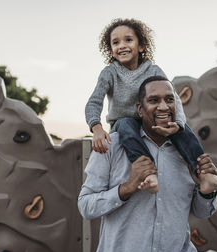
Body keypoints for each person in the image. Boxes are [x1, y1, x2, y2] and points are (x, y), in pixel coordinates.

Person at [78, 76, 217, 252]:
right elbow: (85, 206)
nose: (163, 107)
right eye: (154, 100)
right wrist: (126, 188)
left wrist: (206, 193)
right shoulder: (112, 146)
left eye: (169, 99)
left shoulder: (188, 153)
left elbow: (202, 213)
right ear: (140, 109)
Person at [85, 18, 210, 193]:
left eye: (128, 40)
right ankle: (148, 173)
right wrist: (96, 127)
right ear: (111, 51)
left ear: (142, 46)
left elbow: (174, 98)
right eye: (116, 42)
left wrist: (179, 124)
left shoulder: (154, 71)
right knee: (126, 124)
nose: (122, 45)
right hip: (123, 123)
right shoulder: (109, 73)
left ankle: (204, 174)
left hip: (150, 121)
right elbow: (94, 101)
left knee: (183, 130)